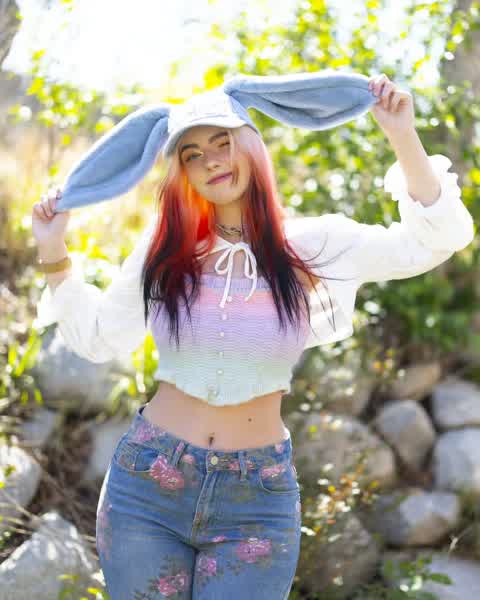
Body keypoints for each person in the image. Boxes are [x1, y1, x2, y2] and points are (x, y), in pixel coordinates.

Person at [31, 73, 474, 598]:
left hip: (256, 499)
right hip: (146, 485)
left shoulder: (313, 245)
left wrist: (402, 134)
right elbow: (99, 337)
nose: (211, 161)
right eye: (193, 154)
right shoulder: (166, 247)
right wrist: (53, 251)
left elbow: (435, 240)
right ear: (183, 173)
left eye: (222, 142)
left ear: (252, 145)